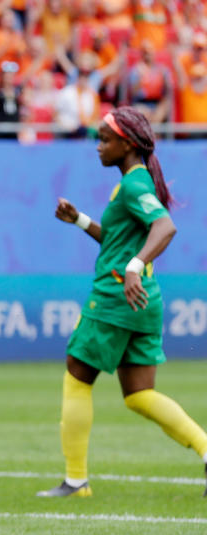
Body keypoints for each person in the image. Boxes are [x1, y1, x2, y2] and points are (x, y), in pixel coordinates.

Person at [38, 106, 207, 498]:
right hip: (143, 298)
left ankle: (76, 481)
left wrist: (133, 266)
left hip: (116, 296)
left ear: (127, 144)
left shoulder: (134, 185)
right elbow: (118, 242)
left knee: (77, 374)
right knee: (138, 394)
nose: (98, 146)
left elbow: (165, 226)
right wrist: (80, 220)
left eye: (105, 139)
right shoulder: (132, 182)